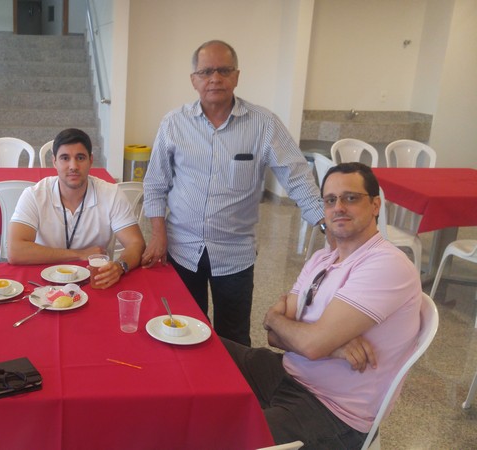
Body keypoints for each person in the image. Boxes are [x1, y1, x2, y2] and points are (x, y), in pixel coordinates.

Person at [223, 162, 422, 447]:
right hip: (287, 373)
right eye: (330, 200)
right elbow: (273, 336)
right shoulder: (323, 258)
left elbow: (309, 344)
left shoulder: (386, 264)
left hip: (330, 410)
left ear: (375, 205)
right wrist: (332, 347)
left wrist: (286, 324)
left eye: (350, 198)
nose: (338, 207)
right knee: (201, 349)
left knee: (223, 437)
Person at [142, 39, 324, 345]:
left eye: (224, 70)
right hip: (181, 247)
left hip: (234, 253)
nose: (215, 78)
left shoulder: (263, 124)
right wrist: (158, 235)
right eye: (206, 72)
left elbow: (297, 176)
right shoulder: (174, 123)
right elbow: (155, 184)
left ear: (237, 76)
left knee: (234, 337)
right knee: (182, 330)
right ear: (194, 80)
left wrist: (327, 223)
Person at [7, 128, 145, 288]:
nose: (73, 166)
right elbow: (15, 251)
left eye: (80, 158)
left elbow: (136, 243)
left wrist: (120, 266)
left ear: (91, 160)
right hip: (43, 283)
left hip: (95, 281)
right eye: (65, 158)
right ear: (54, 162)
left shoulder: (111, 193)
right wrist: (79, 255)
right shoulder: (34, 195)